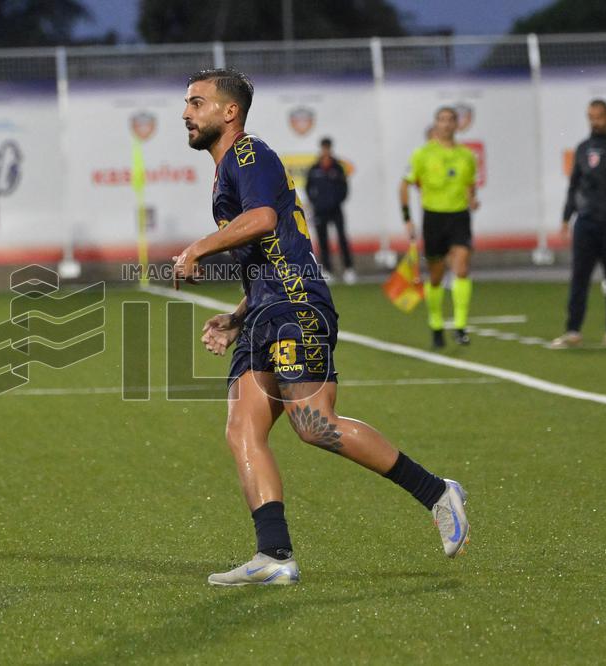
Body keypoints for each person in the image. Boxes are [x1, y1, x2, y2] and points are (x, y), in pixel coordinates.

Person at [173, 68, 470, 587]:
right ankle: (275, 555)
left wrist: (198, 247)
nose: (185, 113)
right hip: (268, 309)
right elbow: (273, 247)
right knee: (243, 428)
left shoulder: (248, 154)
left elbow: (264, 219)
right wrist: (238, 316)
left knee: (313, 424)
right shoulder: (227, 172)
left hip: (296, 308)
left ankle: (436, 492)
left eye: (197, 102)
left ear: (229, 112)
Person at [549, 99, 606, 349]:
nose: (595, 121)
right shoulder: (583, 148)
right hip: (586, 222)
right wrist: (565, 218)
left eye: (599, 116)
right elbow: (573, 186)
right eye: (591, 116)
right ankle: (573, 330)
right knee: (579, 277)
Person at [400, 107, 479, 349]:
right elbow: (404, 185)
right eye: (441, 120)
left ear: (457, 125)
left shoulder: (467, 155)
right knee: (436, 276)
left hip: (459, 217)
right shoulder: (422, 154)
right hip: (433, 217)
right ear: (436, 125)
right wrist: (408, 218)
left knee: (462, 266)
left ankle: (460, 326)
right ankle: (435, 323)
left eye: (450, 120)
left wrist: (472, 198)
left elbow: (470, 184)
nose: (446, 124)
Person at [306, 137, 355, 284]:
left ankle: (348, 269)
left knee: (342, 239)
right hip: (320, 210)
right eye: (324, 147)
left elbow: (344, 187)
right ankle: (327, 269)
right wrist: (316, 202)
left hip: (335, 209)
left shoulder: (337, 167)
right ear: (321, 148)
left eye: (328, 147)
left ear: (330, 148)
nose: (326, 150)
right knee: (322, 240)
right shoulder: (315, 168)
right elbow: (309, 188)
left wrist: (337, 201)